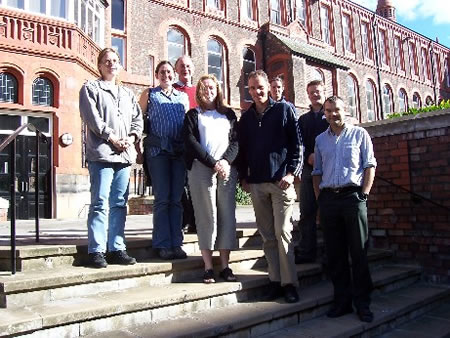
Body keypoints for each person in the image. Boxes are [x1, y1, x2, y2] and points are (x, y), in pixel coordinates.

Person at [238, 70, 303, 303]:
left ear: (268, 86)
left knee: (283, 232)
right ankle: (275, 281)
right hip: (257, 184)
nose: (257, 92)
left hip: (281, 182)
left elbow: (297, 144)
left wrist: (291, 172)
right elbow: (242, 151)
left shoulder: (284, 110)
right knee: (267, 237)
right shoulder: (246, 119)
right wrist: (243, 178)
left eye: (260, 87)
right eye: (252, 88)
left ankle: (289, 284)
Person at [312, 96, 376, 323]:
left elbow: (370, 165)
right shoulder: (320, 140)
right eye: (328, 111)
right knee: (335, 254)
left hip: (353, 198)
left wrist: (364, 194)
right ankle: (342, 302)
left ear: (345, 110)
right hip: (329, 199)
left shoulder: (360, 134)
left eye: (336, 110)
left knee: (358, 252)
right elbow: (316, 171)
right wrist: (321, 200)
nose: (332, 114)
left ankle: (363, 303)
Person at [79, 48, 143, 268]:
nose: (111, 64)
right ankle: (96, 250)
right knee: (100, 203)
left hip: (124, 155)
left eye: (115, 61)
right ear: (99, 65)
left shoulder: (127, 93)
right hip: (102, 155)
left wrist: (132, 137)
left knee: (119, 203)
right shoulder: (90, 88)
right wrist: (113, 137)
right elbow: (93, 119)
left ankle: (117, 247)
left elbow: (137, 120)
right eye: (107, 61)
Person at [183, 74, 239, 283]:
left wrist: (225, 162)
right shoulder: (193, 115)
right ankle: (208, 266)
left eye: (212, 87)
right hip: (201, 169)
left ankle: (225, 266)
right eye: (204, 87)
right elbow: (190, 141)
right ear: (198, 91)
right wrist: (212, 162)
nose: (208, 90)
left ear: (218, 90)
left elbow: (236, 142)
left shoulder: (228, 115)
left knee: (226, 215)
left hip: (226, 169)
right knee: (206, 215)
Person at [139, 61, 189, 260]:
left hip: (178, 153)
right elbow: (138, 119)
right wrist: (137, 146)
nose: (166, 75)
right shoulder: (150, 95)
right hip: (157, 152)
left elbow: (188, 125)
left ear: (173, 74)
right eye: (162, 72)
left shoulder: (182, 97)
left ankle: (176, 242)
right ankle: (161, 244)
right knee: (162, 198)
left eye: (169, 72)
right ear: (156, 74)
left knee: (176, 199)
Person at [295, 80, 328, 264]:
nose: (314, 95)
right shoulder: (304, 119)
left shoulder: (331, 114)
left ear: (324, 91)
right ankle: (307, 251)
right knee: (306, 211)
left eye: (317, 91)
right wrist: (308, 156)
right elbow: (299, 144)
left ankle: (332, 252)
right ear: (308, 95)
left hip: (330, 171)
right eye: (311, 92)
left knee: (328, 211)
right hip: (309, 170)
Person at [173, 55, 197, 234]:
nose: (185, 69)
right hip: (177, 144)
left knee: (195, 185)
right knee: (180, 184)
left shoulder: (199, 91)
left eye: (188, 66)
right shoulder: (172, 90)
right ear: (176, 69)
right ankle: (184, 220)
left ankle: (196, 222)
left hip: (196, 145)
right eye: (181, 66)